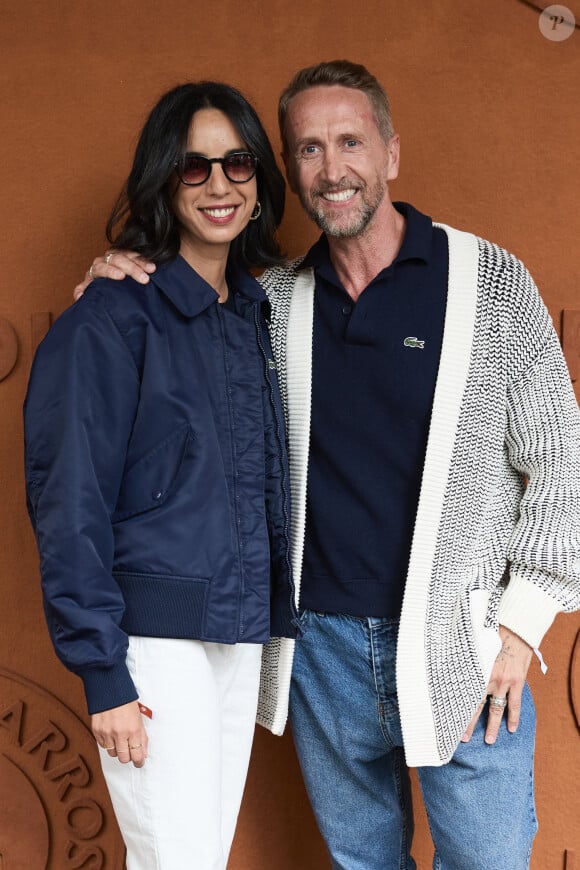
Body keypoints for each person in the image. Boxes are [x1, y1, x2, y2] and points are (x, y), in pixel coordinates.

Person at [76, 61, 580, 870]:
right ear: (290, 171)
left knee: (488, 860)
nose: (332, 167)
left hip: (464, 638)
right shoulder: (268, 303)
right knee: (361, 864)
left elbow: (562, 465)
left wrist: (519, 630)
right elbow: (166, 326)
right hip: (322, 652)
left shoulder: (487, 281)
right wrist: (110, 279)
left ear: (390, 153)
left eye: (351, 141)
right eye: (308, 149)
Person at [24, 80, 298, 870]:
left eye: (237, 162)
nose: (219, 185)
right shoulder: (108, 319)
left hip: (236, 636)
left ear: (259, 178)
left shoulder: (251, 311)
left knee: (199, 859)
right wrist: (105, 674)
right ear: (162, 180)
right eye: (193, 167)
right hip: (150, 644)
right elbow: (68, 501)